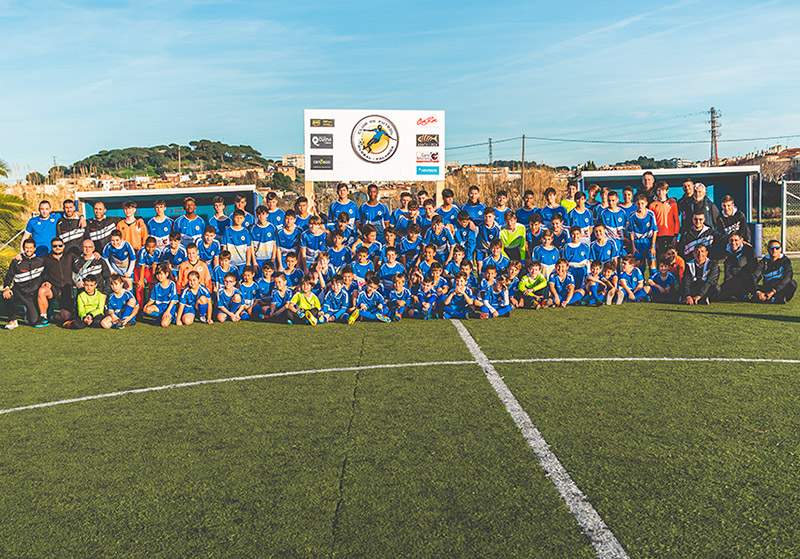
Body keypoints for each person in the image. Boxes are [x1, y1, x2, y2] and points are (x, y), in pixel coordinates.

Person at [3, 238, 45, 329]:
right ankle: (13, 320)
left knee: (33, 321)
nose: (28, 250)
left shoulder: (40, 262)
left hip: (32, 295)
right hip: (19, 291)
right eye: (26, 248)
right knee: (7, 295)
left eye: (30, 248)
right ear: (23, 248)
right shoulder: (16, 261)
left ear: (34, 248)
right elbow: (9, 276)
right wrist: (6, 288)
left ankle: (28, 311)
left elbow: (45, 276)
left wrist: (46, 282)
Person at [37, 236, 76, 326]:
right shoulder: (45, 258)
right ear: (51, 247)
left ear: (64, 246)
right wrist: (45, 280)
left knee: (66, 317)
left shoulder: (70, 256)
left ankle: (51, 316)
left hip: (66, 289)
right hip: (53, 288)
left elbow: (83, 260)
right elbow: (38, 272)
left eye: (60, 245)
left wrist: (95, 254)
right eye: (55, 246)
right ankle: (44, 317)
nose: (57, 248)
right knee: (42, 290)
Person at [753, 240, 796, 304]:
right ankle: (774, 299)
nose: (774, 250)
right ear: (768, 249)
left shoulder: (785, 260)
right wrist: (757, 290)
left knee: (792, 284)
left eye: (777, 248)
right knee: (748, 282)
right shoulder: (764, 261)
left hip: (779, 288)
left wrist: (774, 290)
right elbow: (755, 275)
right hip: (767, 286)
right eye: (772, 248)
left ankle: (770, 298)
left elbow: (788, 276)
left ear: (780, 249)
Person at [718, 233, 758, 301]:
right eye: (731, 240)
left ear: (741, 240)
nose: (733, 243)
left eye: (736, 240)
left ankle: (745, 291)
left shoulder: (749, 250)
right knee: (720, 294)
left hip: (745, 277)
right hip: (730, 278)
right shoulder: (725, 249)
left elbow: (753, 267)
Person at [627, 193, 659, 275]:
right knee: (639, 262)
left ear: (646, 203)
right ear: (635, 204)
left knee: (651, 261)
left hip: (648, 240)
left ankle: (653, 282)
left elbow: (655, 230)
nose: (640, 206)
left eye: (642, 203)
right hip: (638, 241)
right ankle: (641, 282)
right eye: (638, 203)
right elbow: (631, 232)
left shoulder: (650, 214)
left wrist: (652, 246)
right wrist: (633, 246)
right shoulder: (632, 216)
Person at [649, 181, 680, 256]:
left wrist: (676, 236)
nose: (661, 193)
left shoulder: (672, 203)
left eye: (663, 190)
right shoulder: (652, 205)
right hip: (658, 235)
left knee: (671, 257)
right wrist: (654, 239)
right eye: (659, 190)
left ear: (667, 191)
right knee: (661, 257)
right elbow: (652, 223)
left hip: (671, 235)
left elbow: (676, 220)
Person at [223, 209, 254, 273]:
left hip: (242, 263)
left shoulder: (245, 232)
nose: (238, 219)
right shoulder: (228, 231)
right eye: (237, 217)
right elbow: (224, 247)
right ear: (233, 218)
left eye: (240, 218)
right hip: (230, 263)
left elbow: (248, 248)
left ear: (243, 219)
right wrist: (225, 261)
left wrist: (248, 263)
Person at [250, 205, 277, 274]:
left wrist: (273, 260)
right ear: (256, 215)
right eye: (259, 214)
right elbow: (251, 246)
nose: (261, 217)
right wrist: (254, 262)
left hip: (269, 259)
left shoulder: (272, 228)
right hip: (258, 260)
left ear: (267, 215)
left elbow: (274, 245)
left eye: (263, 214)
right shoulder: (253, 229)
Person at [599, 191, 626, 255]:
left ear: (617, 200)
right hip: (608, 241)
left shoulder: (622, 212)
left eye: (613, 200)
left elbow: (625, 228)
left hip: (619, 240)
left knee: (619, 260)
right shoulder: (603, 213)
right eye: (609, 200)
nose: (611, 203)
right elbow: (600, 227)